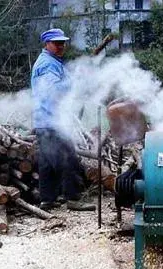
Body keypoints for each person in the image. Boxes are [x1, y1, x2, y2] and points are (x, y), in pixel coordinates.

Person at [31, 28, 95, 212]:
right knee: (69, 159)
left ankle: (47, 199)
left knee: (47, 162)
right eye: (57, 43)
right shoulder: (48, 64)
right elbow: (54, 92)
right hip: (52, 121)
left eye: (63, 43)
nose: (61, 46)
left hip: (45, 121)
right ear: (47, 43)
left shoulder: (51, 62)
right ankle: (73, 198)